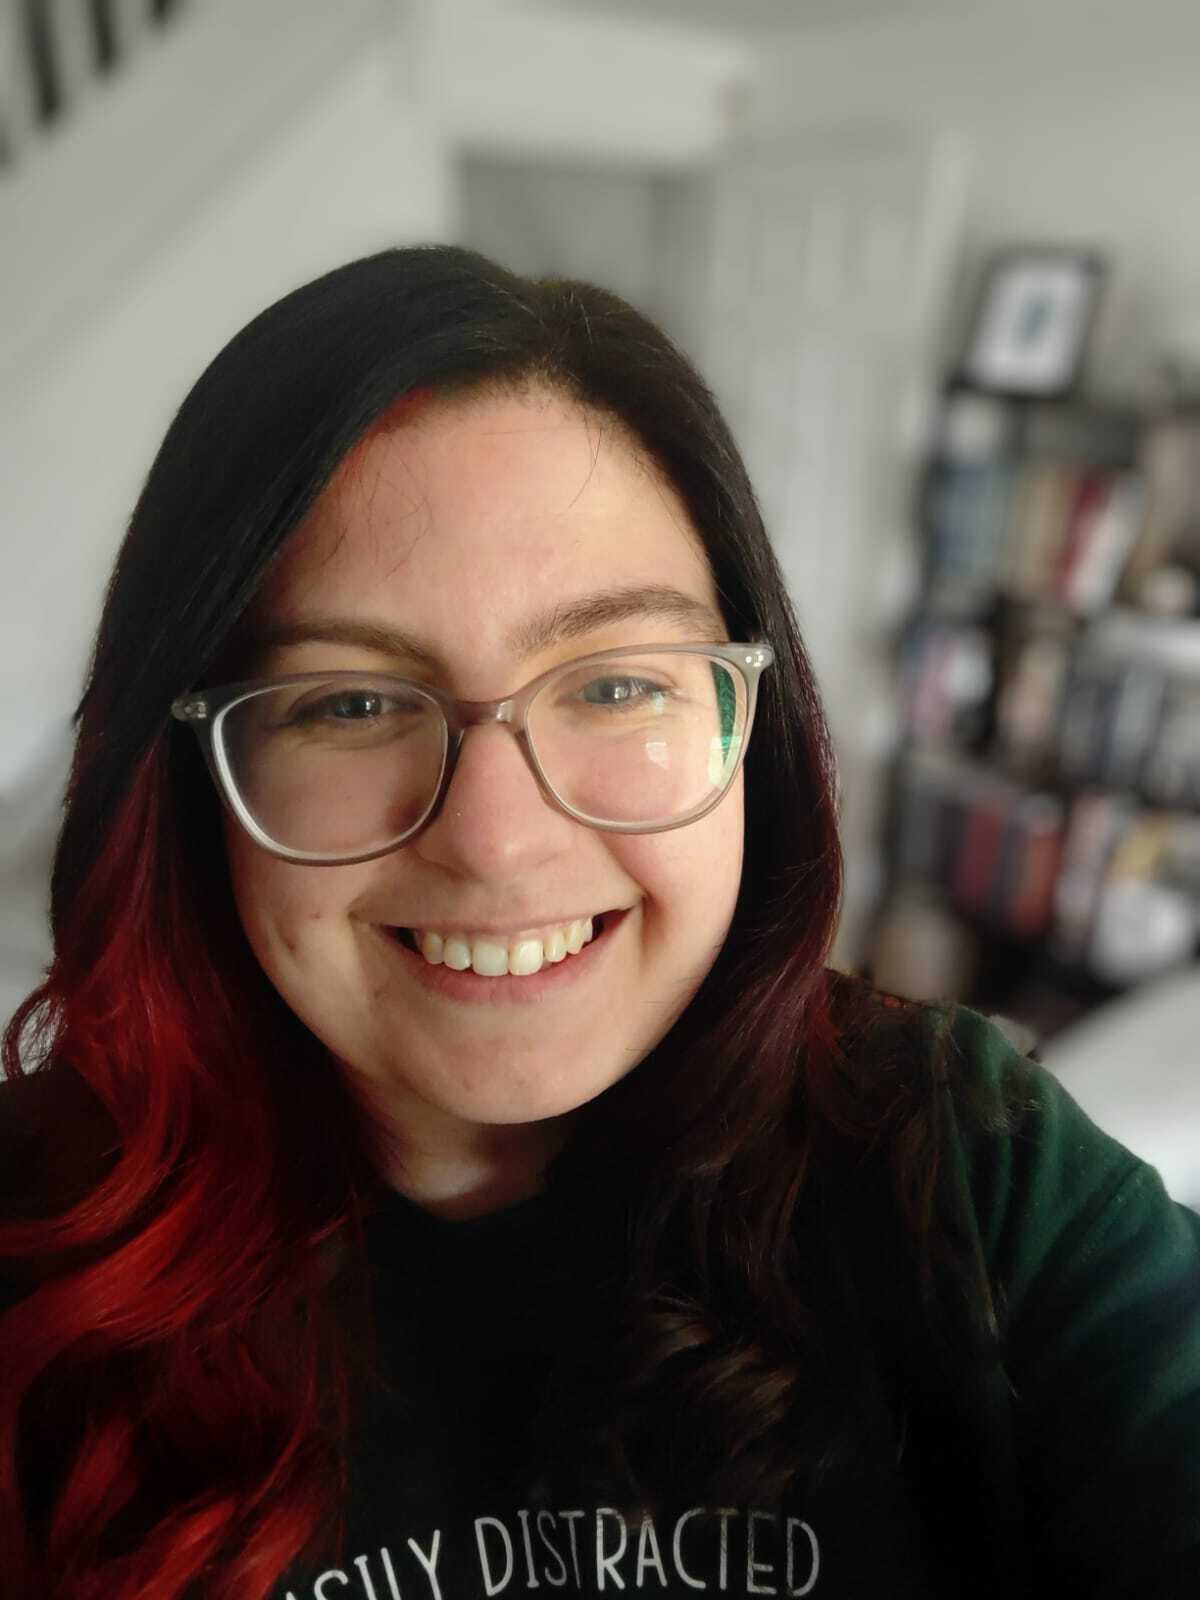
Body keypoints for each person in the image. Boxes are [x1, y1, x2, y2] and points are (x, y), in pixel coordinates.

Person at [0, 245, 1196, 1600]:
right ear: (191, 778)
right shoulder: (39, 1264)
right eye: (350, 702)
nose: (496, 841)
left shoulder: (971, 1171)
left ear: (751, 728)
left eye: (618, 685)